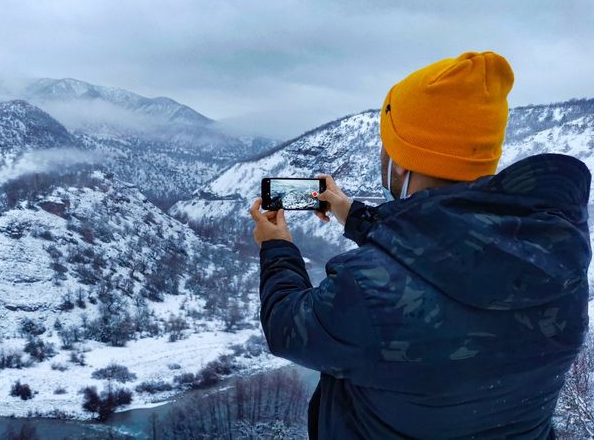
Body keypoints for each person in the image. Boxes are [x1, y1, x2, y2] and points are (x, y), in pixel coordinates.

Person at [249, 51, 591, 439]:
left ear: (400, 164)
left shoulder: (364, 290)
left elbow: (286, 328)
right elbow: (449, 250)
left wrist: (276, 247)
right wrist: (352, 214)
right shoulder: (559, 261)